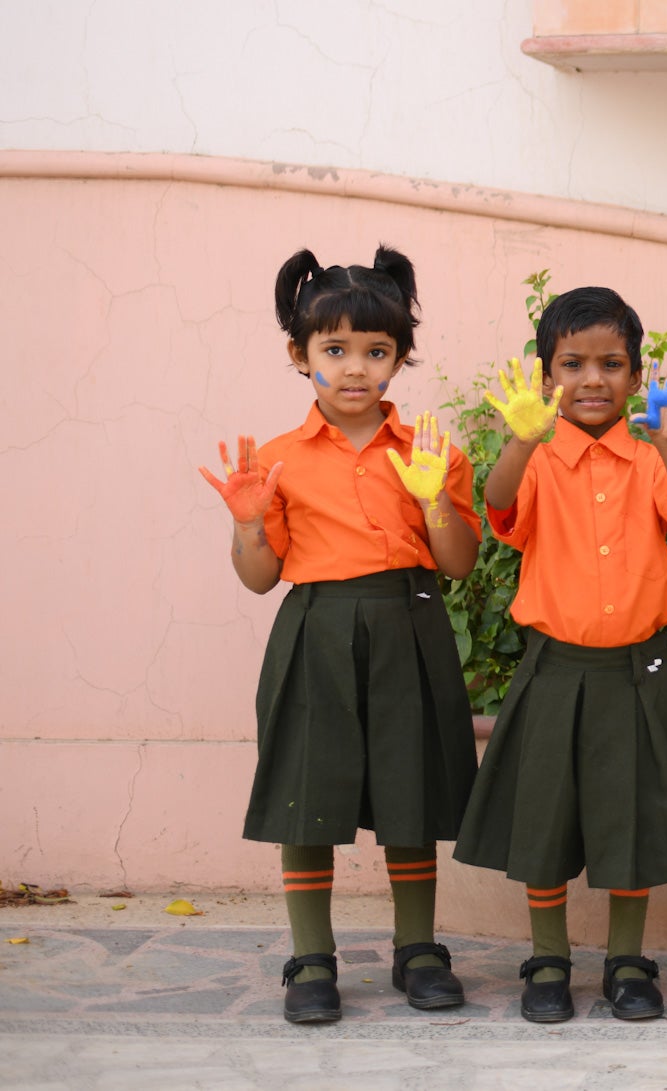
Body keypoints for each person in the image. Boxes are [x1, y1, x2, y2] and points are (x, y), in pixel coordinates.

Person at [201, 246, 480, 1023]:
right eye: (334, 349)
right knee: (306, 793)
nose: (355, 367)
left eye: (376, 351)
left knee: (410, 789)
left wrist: (434, 505)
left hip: (410, 625)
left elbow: (458, 562)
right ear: (300, 354)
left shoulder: (429, 452)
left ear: (398, 358)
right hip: (316, 630)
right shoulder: (279, 460)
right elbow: (261, 576)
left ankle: (418, 948)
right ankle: (312, 957)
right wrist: (250, 521)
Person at [453, 287, 667, 1024]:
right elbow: (499, 506)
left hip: (638, 668)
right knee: (545, 818)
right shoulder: (536, 455)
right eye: (572, 363)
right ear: (546, 373)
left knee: (634, 817)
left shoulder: (649, 452)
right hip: (555, 666)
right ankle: (548, 958)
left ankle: (629, 962)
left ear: (635, 375)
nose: (592, 379)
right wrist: (522, 437)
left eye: (611, 364)